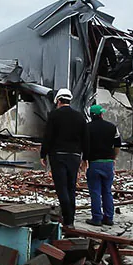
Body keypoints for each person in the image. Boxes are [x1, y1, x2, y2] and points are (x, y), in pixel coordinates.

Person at [40, 88, 89, 228]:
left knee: (62, 188)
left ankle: (67, 220)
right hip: (74, 157)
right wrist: (85, 158)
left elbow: (48, 136)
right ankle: (70, 219)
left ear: (58, 101)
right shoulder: (80, 117)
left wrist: (43, 154)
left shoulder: (54, 115)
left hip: (58, 156)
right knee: (71, 187)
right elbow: (86, 138)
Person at [82, 105, 121, 226]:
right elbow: (118, 145)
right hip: (108, 163)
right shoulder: (112, 127)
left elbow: (84, 146)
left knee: (95, 192)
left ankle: (97, 218)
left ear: (91, 115)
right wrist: (113, 158)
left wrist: (84, 160)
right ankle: (109, 217)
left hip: (94, 163)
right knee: (107, 191)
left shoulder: (87, 128)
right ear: (101, 114)